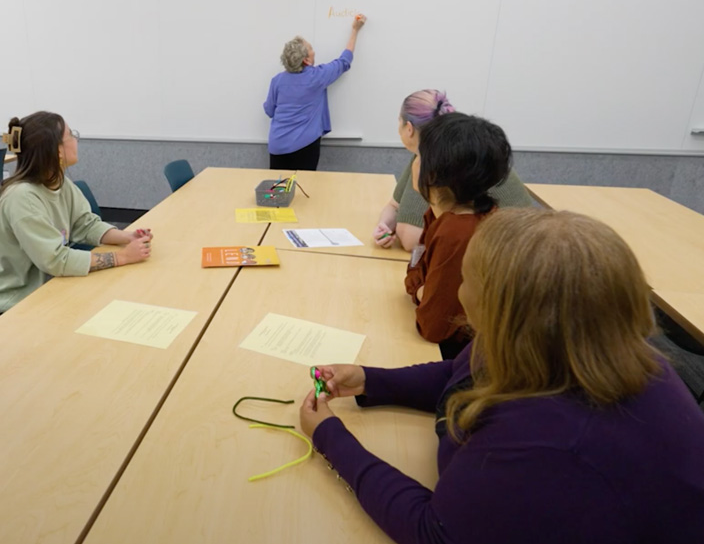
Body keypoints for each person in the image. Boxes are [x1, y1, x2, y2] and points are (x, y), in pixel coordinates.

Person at [300, 208, 704, 544]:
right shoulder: (565, 341)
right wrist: (370, 380)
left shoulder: (548, 436)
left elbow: (435, 532)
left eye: (467, 280)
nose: (459, 291)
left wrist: (331, 438)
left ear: (500, 307)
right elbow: (464, 371)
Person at [0, 112, 152, 323]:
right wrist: (122, 257)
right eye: (71, 135)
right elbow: (55, 260)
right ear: (57, 151)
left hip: (42, 286)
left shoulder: (57, 180)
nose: (76, 140)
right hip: (5, 305)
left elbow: (84, 224)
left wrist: (127, 237)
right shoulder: (22, 197)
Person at [404, 112, 511, 359]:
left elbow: (432, 327)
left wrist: (419, 290)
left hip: (463, 357)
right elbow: (417, 271)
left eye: (419, 156)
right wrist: (421, 289)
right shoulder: (444, 214)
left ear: (434, 174)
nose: (413, 162)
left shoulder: (457, 232)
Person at [373, 89, 532, 251]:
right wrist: (384, 226)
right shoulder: (426, 155)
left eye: (399, 121)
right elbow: (394, 205)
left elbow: (411, 239)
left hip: (512, 249)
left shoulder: (447, 161)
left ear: (409, 128)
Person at [264, 14, 366, 171]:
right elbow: (344, 61)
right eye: (311, 48)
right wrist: (355, 30)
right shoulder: (317, 77)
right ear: (306, 60)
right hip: (305, 147)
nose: (314, 51)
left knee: (279, 186)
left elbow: (269, 111)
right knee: (304, 185)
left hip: (277, 146)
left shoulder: (277, 81)